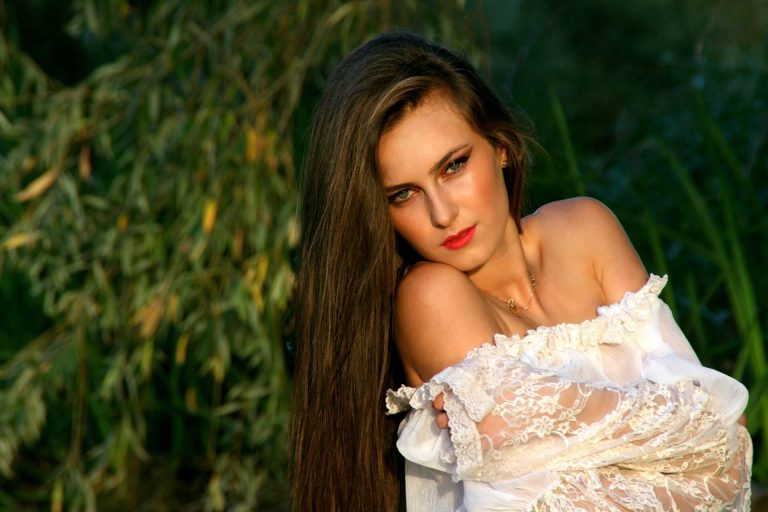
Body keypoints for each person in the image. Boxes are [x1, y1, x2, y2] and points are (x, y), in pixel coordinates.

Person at [289, 31, 752, 511]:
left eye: (453, 166)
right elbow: (548, 503)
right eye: (403, 194)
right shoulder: (430, 297)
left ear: (500, 146)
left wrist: (553, 411)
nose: (443, 214)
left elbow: (730, 450)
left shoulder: (585, 229)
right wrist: (683, 429)